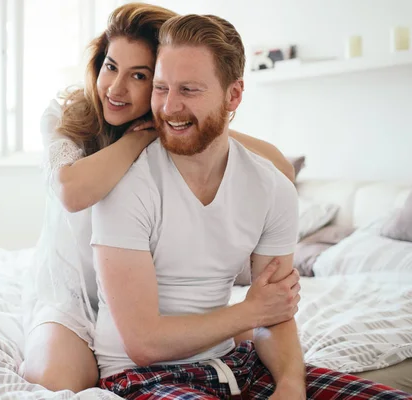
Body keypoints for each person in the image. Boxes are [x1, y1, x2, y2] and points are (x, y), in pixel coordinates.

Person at [91, 13, 412, 399]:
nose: (169, 107)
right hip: (144, 376)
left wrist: (291, 384)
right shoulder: (128, 186)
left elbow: (275, 313)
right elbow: (144, 343)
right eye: (161, 88)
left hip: (237, 365)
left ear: (234, 95)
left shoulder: (271, 188)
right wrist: (250, 311)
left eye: (189, 90)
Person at [21, 3, 299, 393]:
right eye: (110, 66)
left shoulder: (174, 129)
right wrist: (145, 133)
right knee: (62, 383)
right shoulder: (68, 116)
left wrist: (196, 124)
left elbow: (280, 172)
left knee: (243, 345)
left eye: (140, 76)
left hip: (149, 300)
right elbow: (71, 191)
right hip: (75, 299)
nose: (116, 88)